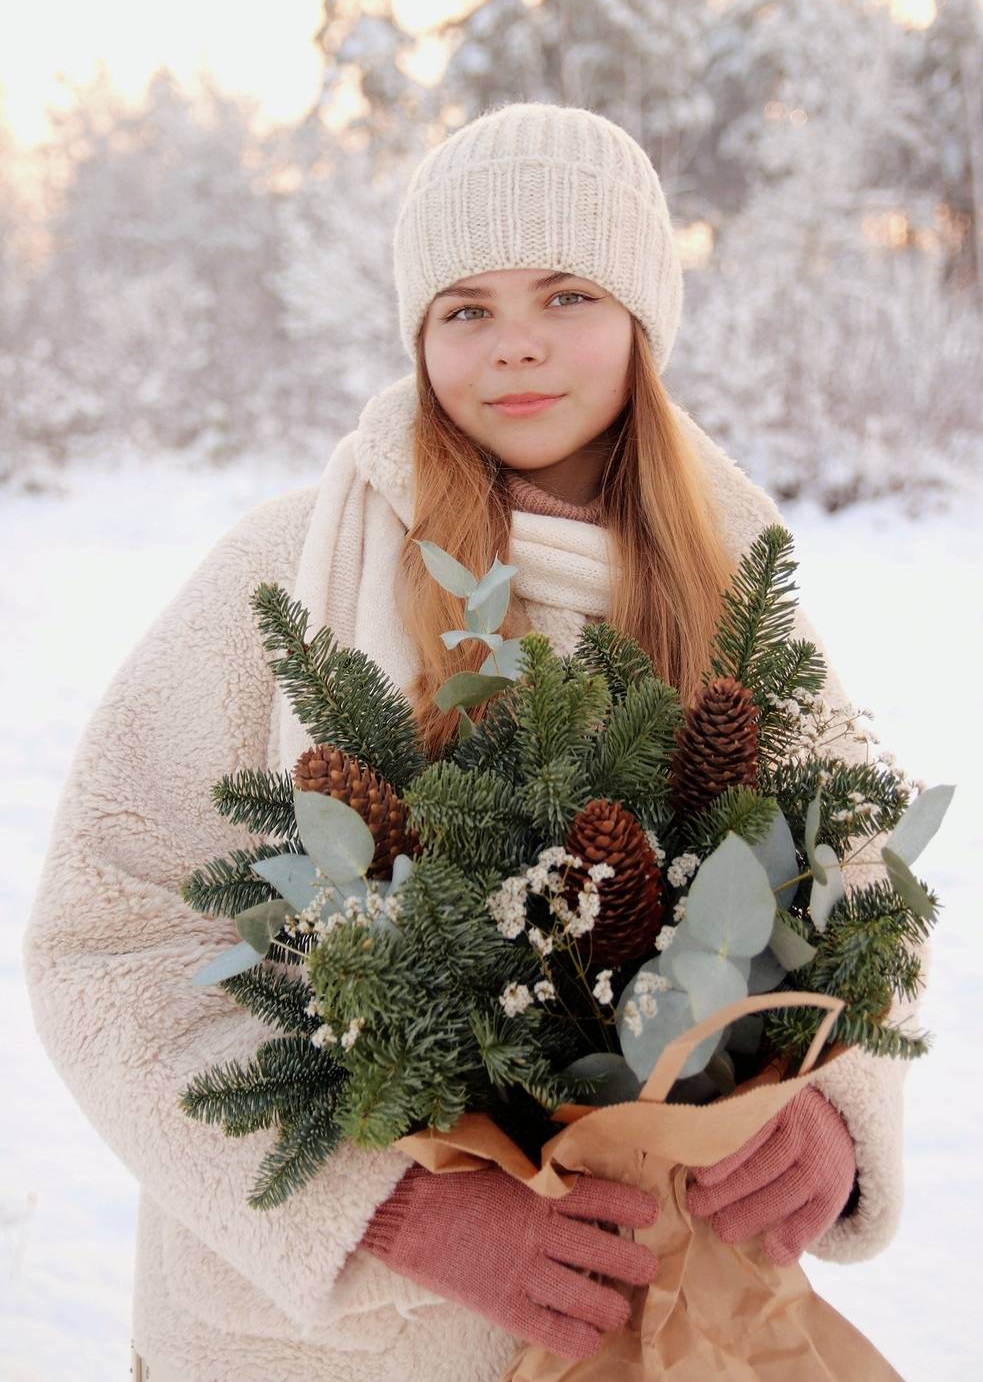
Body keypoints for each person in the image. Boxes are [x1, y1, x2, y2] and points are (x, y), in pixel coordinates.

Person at [23, 101, 927, 1382]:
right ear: (419, 336)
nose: (515, 346)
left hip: (647, 1324)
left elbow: (857, 881)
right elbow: (106, 939)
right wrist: (389, 1211)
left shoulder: (728, 579)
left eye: (566, 295)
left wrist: (833, 1108)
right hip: (320, 1349)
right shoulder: (284, 577)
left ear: (642, 317)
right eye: (466, 310)